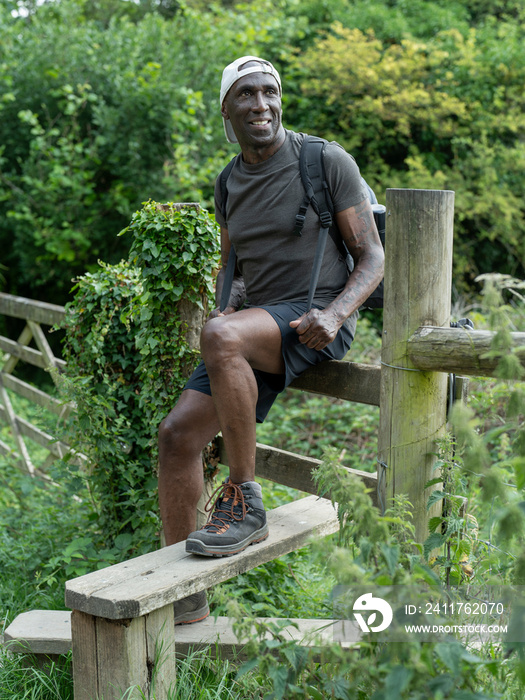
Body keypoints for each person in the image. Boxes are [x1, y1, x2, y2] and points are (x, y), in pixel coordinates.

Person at [158, 56, 385, 624]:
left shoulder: (324, 160)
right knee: (175, 437)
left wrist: (334, 314)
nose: (261, 105)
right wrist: (224, 309)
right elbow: (229, 260)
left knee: (221, 336)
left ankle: (243, 499)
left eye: (270, 92)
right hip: (249, 329)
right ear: (226, 109)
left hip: (315, 319)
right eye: (247, 96)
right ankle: (182, 599)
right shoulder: (229, 179)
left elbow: (373, 256)